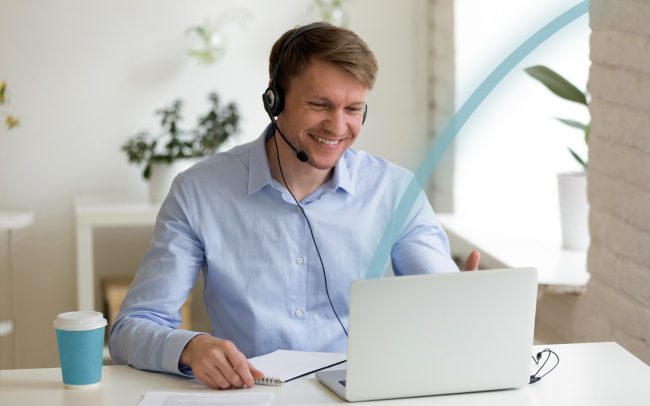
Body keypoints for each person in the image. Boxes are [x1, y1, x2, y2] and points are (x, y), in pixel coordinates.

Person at [109, 22, 480, 390]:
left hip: (361, 394)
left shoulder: (396, 192)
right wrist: (190, 347)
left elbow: (441, 304)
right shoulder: (199, 192)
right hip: (251, 396)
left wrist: (466, 303)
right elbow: (131, 328)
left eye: (353, 109)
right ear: (275, 100)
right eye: (320, 104)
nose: (337, 126)